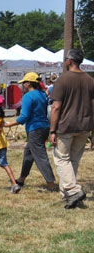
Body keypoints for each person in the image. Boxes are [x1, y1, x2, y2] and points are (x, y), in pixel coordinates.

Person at [49, 49, 94, 209]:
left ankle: (74, 190)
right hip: (85, 126)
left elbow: (55, 107)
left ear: (69, 61)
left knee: (61, 159)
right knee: (73, 160)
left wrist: (52, 130)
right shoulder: (90, 80)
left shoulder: (62, 80)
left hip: (66, 126)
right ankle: (67, 194)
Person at [3, 72, 56, 192]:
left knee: (40, 156)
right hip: (44, 127)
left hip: (35, 129)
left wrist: (8, 124)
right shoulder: (42, 94)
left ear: (28, 83)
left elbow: (24, 117)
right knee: (28, 154)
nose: (23, 86)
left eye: (24, 83)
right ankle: (21, 179)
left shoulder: (27, 96)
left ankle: (51, 184)